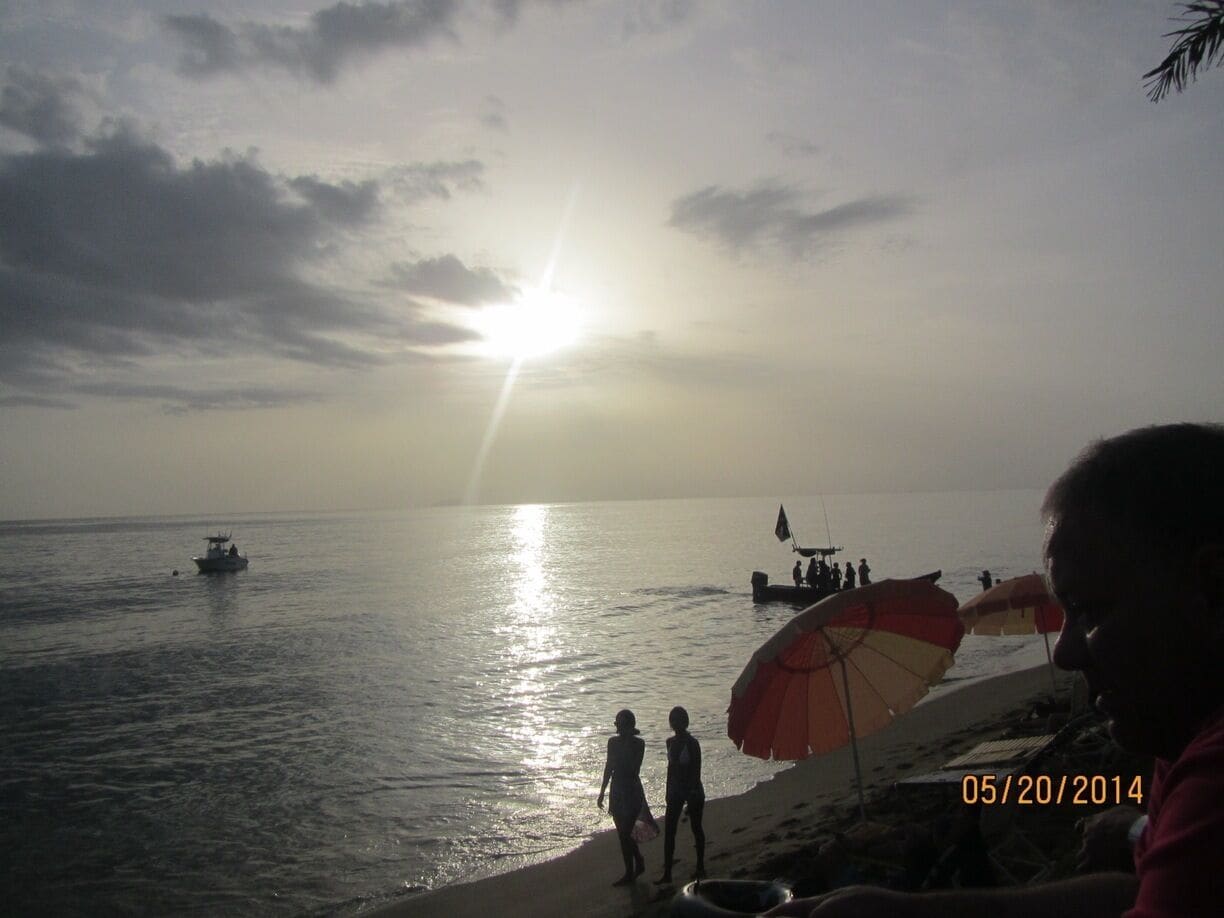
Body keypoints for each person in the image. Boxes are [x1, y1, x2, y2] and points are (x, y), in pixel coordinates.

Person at [767, 423, 1224, 917]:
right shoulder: (1180, 737)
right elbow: (1143, 895)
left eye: (1090, 611)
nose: (1064, 653)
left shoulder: (1213, 780)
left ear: (1212, 591)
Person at [598, 709, 648, 886]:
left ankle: (633, 868)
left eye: (620, 724)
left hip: (632, 789)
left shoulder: (638, 744)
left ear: (628, 725)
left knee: (626, 832)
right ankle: (635, 865)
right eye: (616, 723)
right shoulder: (612, 742)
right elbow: (608, 767)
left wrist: (626, 745)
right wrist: (602, 791)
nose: (617, 727)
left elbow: (634, 769)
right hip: (617, 789)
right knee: (622, 834)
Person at [657, 706, 706, 884]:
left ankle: (700, 866)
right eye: (673, 720)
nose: (675, 723)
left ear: (685, 722)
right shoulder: (670, 742)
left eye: (679, 720)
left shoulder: (692, 743)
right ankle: (667, 873)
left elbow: (696, 769)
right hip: (675, 789)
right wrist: (667, 791)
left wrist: (692, 792)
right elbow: (670, 769)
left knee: (696, 828)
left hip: (693, 789)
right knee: (669, 831)